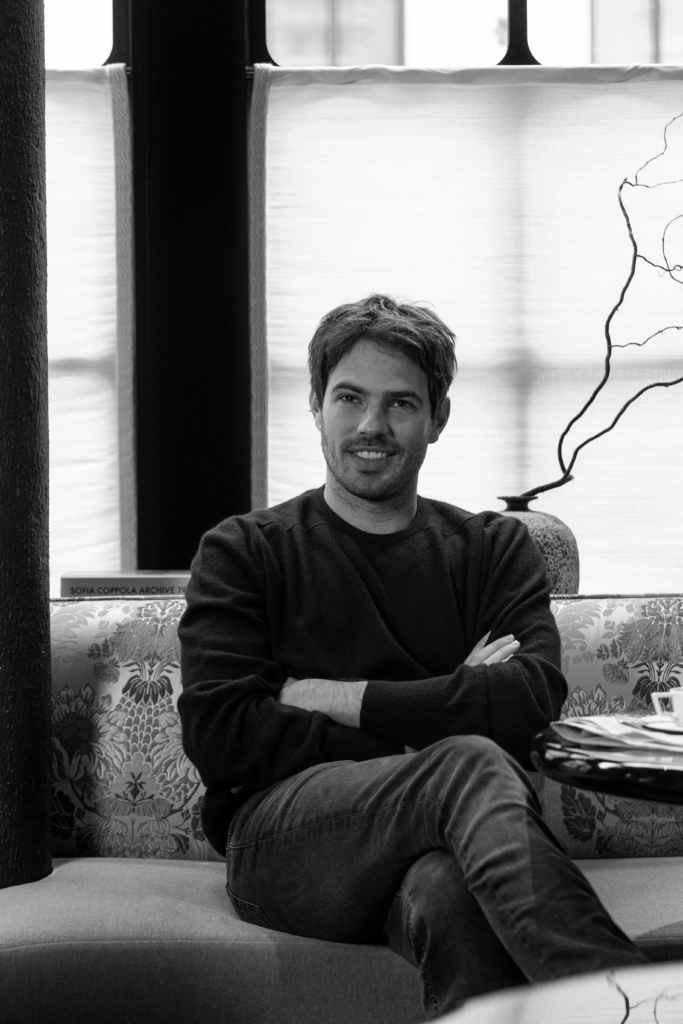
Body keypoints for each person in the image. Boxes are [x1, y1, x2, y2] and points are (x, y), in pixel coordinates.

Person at [177, 294, 648, 1018]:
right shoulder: (245, 550)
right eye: (349, 398)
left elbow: (528, 704)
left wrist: (336, 697)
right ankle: (632, 1007)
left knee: (452, 896)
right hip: (286, 843)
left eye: (399, 403)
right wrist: (449, 704)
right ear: (315, 404)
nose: (371, 426)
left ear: (437, 417)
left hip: (446, 847)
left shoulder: (493, 549)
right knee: (467, 759)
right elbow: (224, 735)